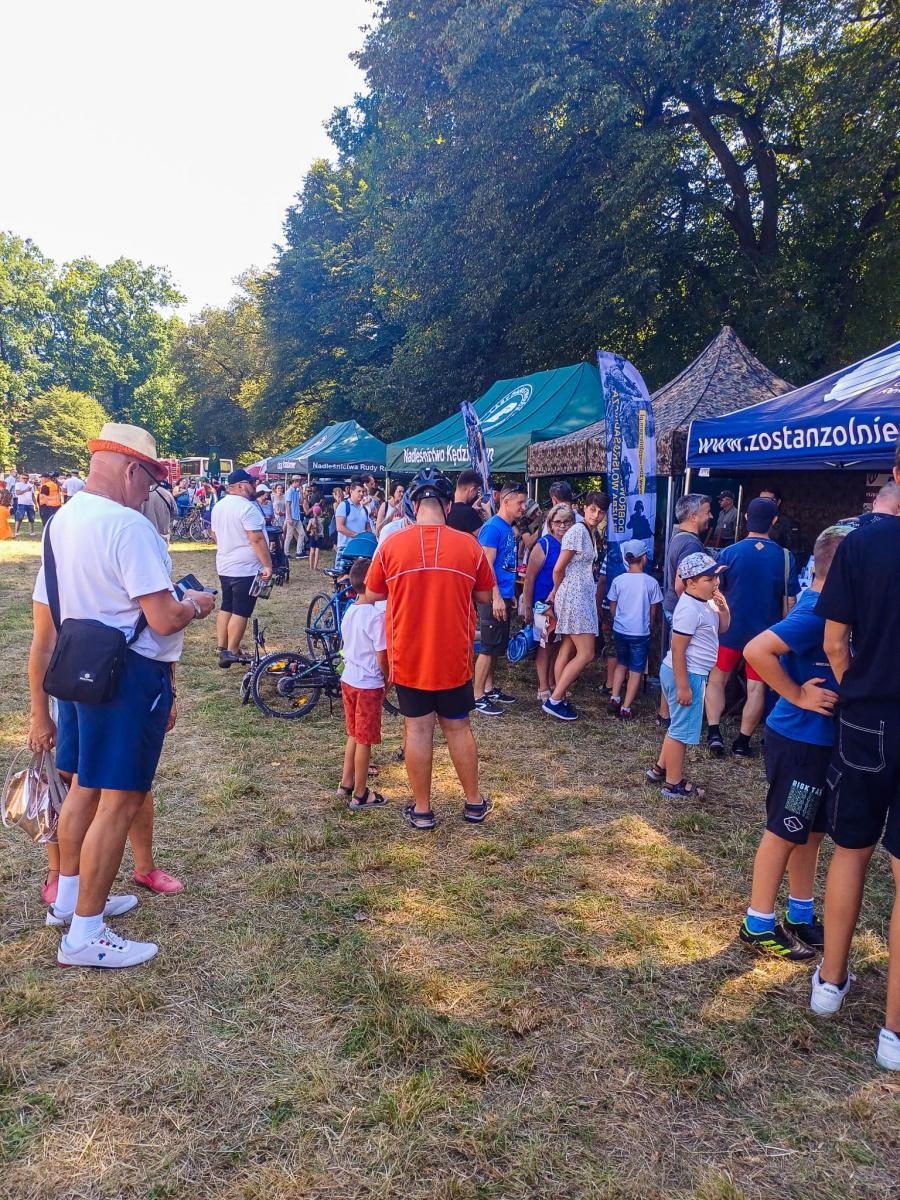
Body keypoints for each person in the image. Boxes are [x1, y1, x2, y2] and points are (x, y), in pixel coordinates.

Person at [26, 422, 215, 969]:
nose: (150, 491)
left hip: (81, 671)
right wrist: (196, 604)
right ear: (133, 470)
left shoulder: (62, 520)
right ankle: (85, 934)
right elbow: (162, 618)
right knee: (122, 798)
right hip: (128, 677)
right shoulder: (128, 527)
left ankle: (67, 899)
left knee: (84, 787)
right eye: (150, 479)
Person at [810, 511, 900, 1071]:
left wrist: (858, 689)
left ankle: (831, 979)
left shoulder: (863, 542)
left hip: (869, 716)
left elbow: (833, 640)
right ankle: (894, 1030)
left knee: (851, 850)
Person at [738, 525, 849, 960]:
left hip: (819, 744)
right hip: (800, 743)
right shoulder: (817, 612)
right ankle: (758, 922)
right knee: (784, 831)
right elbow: (756, 650)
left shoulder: (828, 607)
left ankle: (800, 913)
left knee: (811, 833)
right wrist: (798, 693)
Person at [365, 468, 495, 830]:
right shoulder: (469, 544)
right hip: (453, 655)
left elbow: (374, 592)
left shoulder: (390, 544)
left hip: (408, 655)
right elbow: (484, 596)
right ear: (447, 504)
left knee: (418, 731)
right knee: (458, 728)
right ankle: (473, 803)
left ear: (412, 503)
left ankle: (423, 810)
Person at [704, 497, 799, 758]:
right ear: (775, 521)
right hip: (765, 638)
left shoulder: (729, 553)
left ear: (746, 518)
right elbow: (789, 602)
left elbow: (714, 591)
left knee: (717, 679)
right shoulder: (785, 557)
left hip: (729, 631)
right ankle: (743, 742)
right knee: (757, 687)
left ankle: (714, 732)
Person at [648, 553, 730, 799]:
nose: (715, 582)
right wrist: (684, 687)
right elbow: (679, 651)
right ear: (690, 582)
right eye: (709, 578)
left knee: (677, 725)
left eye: (717, 576)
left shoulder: (707, 603)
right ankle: (674, 783)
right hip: (685, 674)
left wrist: (724, 609)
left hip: (691, 673)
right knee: (681, 731)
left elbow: (723, 628)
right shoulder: (689, 609)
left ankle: (660, 769)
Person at [542, 492, 607, 721]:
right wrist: (555, 591)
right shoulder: (578, 531)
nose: (596, 515)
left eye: (600, 511)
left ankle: (560, 696)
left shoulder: (589, 532)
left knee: (568, 647)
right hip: (574, 596)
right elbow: (559, 568)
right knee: (587, 653)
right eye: (592, 510)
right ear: (584, 508)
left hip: (579, 594)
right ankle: (555, 699)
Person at [338, 558, 389, 810]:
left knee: (353, 734)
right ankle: (361, 793)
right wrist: (388, 678)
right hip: (368, 684)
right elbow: (382, 654)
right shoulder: (375, 617)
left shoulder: (351, 611)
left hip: (348, 679)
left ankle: (345, 782)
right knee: (364, 739)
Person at [473, 482, 528, 716]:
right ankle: (477, 696)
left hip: (503, 594)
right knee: (487, 645)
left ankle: (488, 687)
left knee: (497, 644)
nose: (524, 507)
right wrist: (495, 596)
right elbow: (486, 566)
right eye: (521, 503)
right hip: (491, 596)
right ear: (506, 502)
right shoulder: (493, 528)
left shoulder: (507, 528)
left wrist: (510, 594)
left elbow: (504, 564)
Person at [210, 468, 273, 668]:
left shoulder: (219, 506)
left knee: (226, 605)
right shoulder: (247, 508)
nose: (254, 486)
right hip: (245, 568)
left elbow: (215, 535)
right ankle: (232, 650)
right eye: (251, 483)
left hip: (225, 564)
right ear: (239, 486)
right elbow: (256, 538)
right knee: (241, 611)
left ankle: (222, 647)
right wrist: (267, 565)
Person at [521, 503, 574, 702]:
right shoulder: (544, 544)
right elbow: (529, 578)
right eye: (558, 522)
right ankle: (543, 687)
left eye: (566, 521)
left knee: (558, 646)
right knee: (545, 645)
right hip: (544, 605)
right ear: (551, 524)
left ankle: (554, 682)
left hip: (565, 603)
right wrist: (527, 608)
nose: (562, 526)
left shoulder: (572, 544)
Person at [606, 539, 663, 719]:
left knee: (622, 662)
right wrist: (650, 625)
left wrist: (617, 620)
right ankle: (626, 708)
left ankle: (614, 697)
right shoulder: (651, 582)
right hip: (640, 632)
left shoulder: (618, 580)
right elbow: (653, 611)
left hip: (620, 630)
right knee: (636, 669)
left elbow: (612, 604)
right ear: (644, 558)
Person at [335, 478, 374, 569]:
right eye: (359, 491)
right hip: (346, 548)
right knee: (342, 577)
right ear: (351, 491)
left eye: (363, 492)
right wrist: (357, 536)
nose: (361, 494)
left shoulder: (364, 509)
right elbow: (339, 527)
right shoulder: (344, 506)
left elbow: (367, 528)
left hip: (360, 550)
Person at [759, 486, 801, 553]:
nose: (764, 503)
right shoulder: (755, 520)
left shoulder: (788, 524)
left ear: (778, 502)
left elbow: (795, 553)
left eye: (769, 500)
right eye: (761, 500)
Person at [447, 468, 486, 534]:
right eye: (477, 491)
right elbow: (486, 538)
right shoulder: (469, 513)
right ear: (472, 490)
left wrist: (472, 509)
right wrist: (488, 514)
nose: (476, 495)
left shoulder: (446, 508)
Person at [284, 476, 306, 558]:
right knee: (289, 535)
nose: (300, 484)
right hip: (292, 516)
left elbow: (300, 502)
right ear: (295, 482)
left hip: (297, 516)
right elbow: (287, 505)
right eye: (299, 482)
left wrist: (301, 493)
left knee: (302, 534)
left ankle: (299, 551)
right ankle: (286, 553)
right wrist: (289, 518)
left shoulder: (296, 491)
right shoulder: (289, 491)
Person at [305, 504, 324, 570]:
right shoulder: (322, 520)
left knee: (312, 551)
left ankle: (311, 567)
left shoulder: (311, 520)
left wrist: (311, 529)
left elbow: (307, 529)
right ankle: (315, 567)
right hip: (319, 537)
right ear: (320, 512)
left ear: (313, 512)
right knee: (317, 551)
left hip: (312, 536)